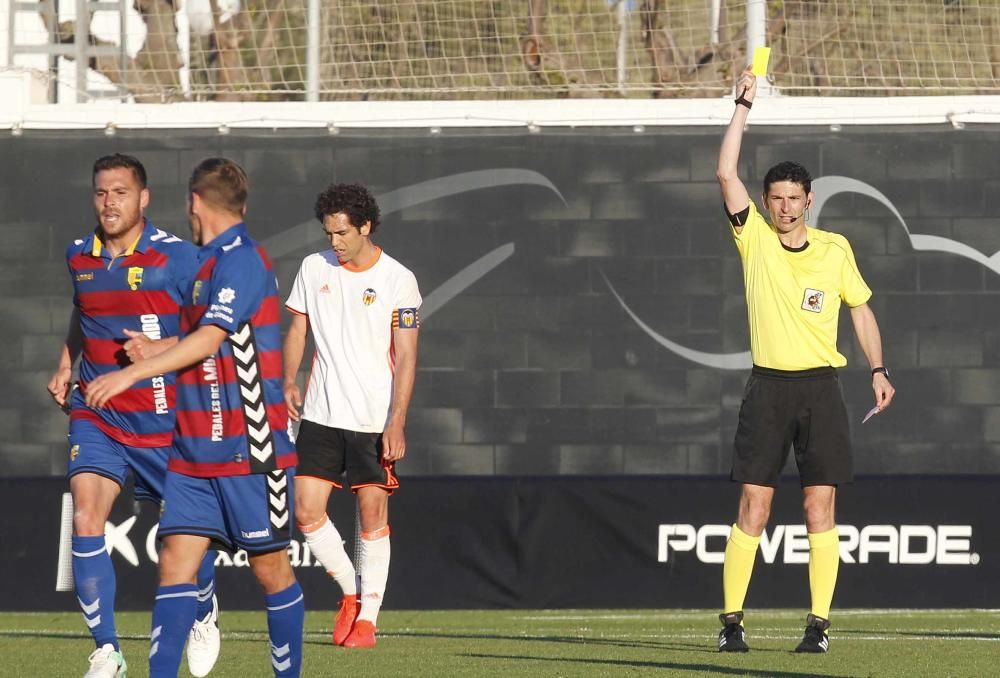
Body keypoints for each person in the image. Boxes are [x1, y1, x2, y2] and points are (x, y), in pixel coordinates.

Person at [85, 158, 303, 677]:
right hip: (191, 452)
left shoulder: (244, 260)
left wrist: (130, 375)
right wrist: (157, 346)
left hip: (250, 449)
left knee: (271, 571)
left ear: (194, 203)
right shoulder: (204, 263)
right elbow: (202, 339)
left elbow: (212, 338)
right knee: (175, 568)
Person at [715, 65, 896, 654]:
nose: (786, 207)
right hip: (768, 388)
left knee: (821, 505)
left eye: (795, 198)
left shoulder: (834, 249)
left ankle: (818, 626)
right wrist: (743, 105)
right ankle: (732, 625)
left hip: (822, 389)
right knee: (755, 505)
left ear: (809, 200)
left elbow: (861, 312)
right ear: (765, 203)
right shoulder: (755, 240)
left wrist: (877, 369)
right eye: (777, 198)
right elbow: (724, 171)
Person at [48, 153, 221, 678]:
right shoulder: (80, 254)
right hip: (98, 412)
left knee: (185, 535)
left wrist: (160, 345)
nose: (109, 203)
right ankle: (107, 650)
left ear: (143, 198)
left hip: (166, 421)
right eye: (101, 193)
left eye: (120, 192)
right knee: (84, 516)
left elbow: (215, 332)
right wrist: (64, 363)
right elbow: (85, 312)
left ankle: (205, 610)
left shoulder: (178, 258)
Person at [282, 183, 420, 648]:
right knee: (305, 510)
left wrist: (396, 420)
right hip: (320, 414)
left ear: (365, 227)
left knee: (371, 514)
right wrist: (288, 379)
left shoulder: (400, 279)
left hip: (373, 420)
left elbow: (406, 354)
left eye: (343, 233)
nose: (335, 243)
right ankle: (350, 591)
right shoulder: (312, 267)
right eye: (328, 234)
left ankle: (368, 621)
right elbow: (297, 329)